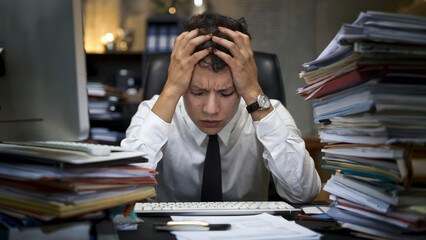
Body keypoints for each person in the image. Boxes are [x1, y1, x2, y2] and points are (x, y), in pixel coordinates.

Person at [121, 13, 321, 203]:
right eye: (197, 92)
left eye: (225, 93)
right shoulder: (152, 111)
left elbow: (303, 193)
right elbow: (125, 189)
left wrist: (253, 90)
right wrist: (171, 88)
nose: (211, 109)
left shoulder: (269, 111)